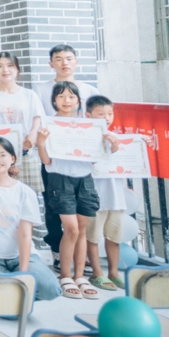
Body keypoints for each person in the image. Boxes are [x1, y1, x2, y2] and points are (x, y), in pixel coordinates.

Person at [37, 81, 116, 300]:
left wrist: (112, 144)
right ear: (54, 100)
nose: (67, 101)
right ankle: (65, 276)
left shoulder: (88, 126)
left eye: (71, 97)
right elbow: (46, 161)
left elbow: (99, 158)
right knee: (70, 229)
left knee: (81, 230)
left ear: (78, 101)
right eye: (61, 96)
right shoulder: (49, 125)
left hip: (85, 180)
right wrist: (41, 143)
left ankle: (79, 276)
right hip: (60, 179)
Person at [0, 137, 62, 301]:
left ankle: (14, 295)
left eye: (2, 155)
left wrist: (23, 272)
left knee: (50, 289)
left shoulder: (25, 192)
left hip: (20, 256)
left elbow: (25, 234)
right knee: (1, 302)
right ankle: (11, 296)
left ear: (12, 159)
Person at [85, 95, 128, 290]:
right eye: (101, 114)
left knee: (114, 235)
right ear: (88, 115)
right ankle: (97, 273)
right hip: (95, 195)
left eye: (110, 114)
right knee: (93, 235)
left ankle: (114, 273)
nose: (107, 118)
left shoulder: (118, 137)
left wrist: (136, 146)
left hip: (116, 196)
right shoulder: (84, 138)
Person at [0, 52, 45, 196]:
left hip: (26, 153)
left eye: (10, 65)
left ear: (17, 69)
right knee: (3, 196)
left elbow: (38, 117)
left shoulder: (29, 94)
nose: (5, 70)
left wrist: (32, 134)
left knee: (29, 197)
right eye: (0, 66)